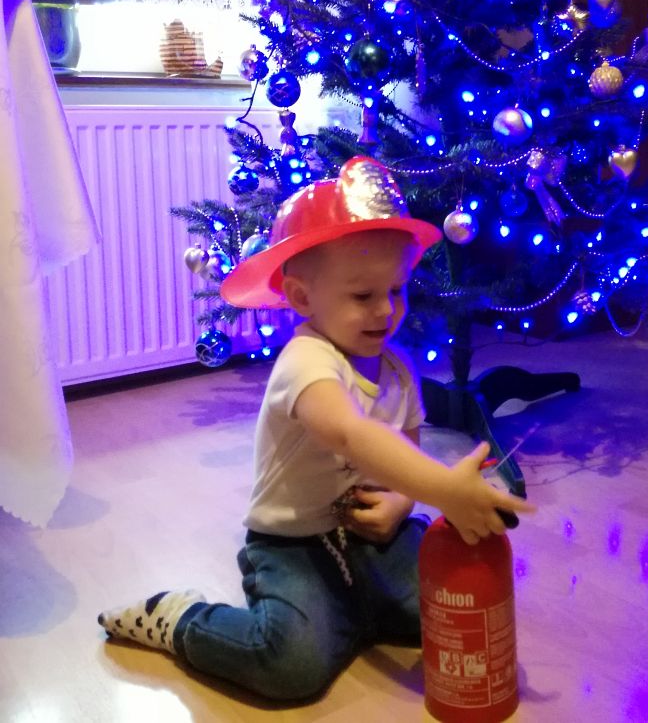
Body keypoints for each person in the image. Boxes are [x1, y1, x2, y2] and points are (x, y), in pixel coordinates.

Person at [98, 156, 531, 702]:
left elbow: (406, 449)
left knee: (449, 608)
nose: (386, 311)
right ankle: (181, 619)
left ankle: (351, 614)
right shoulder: (306, 362)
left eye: (397, 290)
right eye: (363, 296)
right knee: (291, 665)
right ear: (302, 298)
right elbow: (351, 434)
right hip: (292, 544)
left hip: (375, 538)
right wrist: (444, 488)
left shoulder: (398, 368)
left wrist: (402, 501)